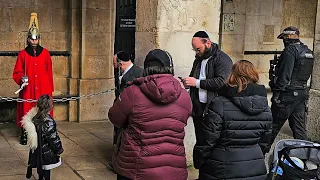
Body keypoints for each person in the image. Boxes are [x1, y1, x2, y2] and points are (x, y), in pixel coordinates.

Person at [108, 49, 192, 180]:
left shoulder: (132, 92)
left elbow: (115, 118)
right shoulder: (184, 96)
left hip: (136, 168)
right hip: (173, 169)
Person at [193, 60, 272, 180]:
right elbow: (265, 142)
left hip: (222, 167)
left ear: (232, 76)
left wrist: (199, 161)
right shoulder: (265, 107)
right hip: (254, 167)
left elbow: (207, 140)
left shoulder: (219, 103)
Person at [181, 31, 232, 149]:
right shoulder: (199, 58)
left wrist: (196, 83)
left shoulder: (222, 59)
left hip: (214, 108)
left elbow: (221, 82)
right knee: (200, 141)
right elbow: (194, 77)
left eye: (198, 49)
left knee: (213, 143)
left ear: (208, 43)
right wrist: (189, 84)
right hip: (198, 107)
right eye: (194, 50)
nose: (196, 52)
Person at [12, 12, 54, 145]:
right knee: (26, 110)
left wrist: (49, 90)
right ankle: (25, 132)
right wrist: (21, 79)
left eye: (36, 39)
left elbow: (49, 72)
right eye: (32, 39)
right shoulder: (23, 54)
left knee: (43, 110)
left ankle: (44, 131)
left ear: (39, 39)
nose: (34, 42)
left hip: (43, 88)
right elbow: (17, 72)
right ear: (28, 39)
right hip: (28, 89)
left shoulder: (45, 53)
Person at [268, 26, 314, 146]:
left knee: (272, 126)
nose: (284, 41)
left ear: (288, 37)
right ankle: (303, 155)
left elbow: (285, 74)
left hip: (287, 94)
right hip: (302, 93)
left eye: (284, 38)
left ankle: (259, 154)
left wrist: (277, 94)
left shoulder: (290, 50)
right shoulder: (307, 51)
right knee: (299, 130)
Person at [21, 94, 63, 180]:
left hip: (39, 151)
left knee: (41, 169)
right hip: (47, 152)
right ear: (50, 106)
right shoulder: (48, 122)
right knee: (46, 171)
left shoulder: (35, 118)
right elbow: (53, 138)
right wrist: (59, 149)